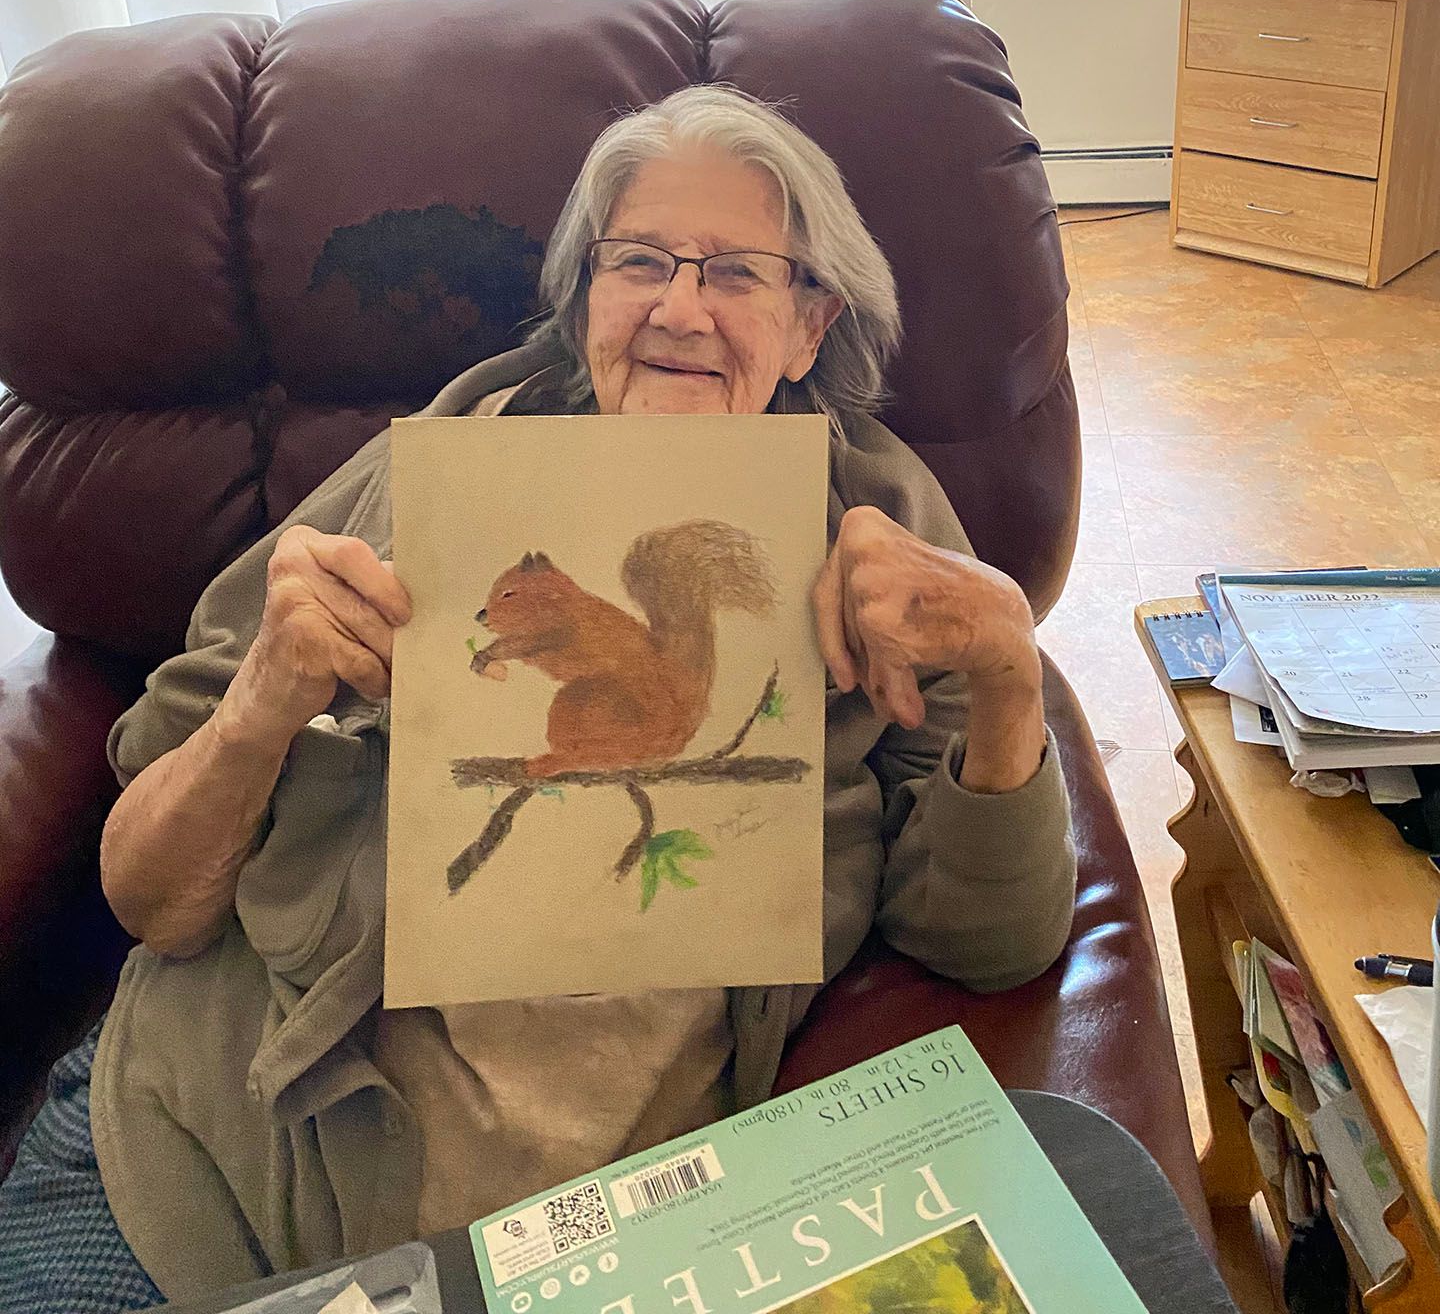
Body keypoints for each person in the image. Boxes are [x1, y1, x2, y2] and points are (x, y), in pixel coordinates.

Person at [0, 86, 1076, 1311]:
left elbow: (994, 943)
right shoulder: (436, 465)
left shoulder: (881, 530)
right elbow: (146, 894)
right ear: (584, 303)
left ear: (810, 325)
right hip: (224, 1157)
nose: (679, 307)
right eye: (639, 264)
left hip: (592, 1238)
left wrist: (1006, 680)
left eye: (735, 273)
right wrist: (260, 704)